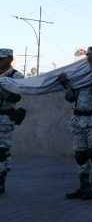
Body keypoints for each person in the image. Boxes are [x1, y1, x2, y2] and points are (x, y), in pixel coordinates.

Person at [57, 46, 92, 200]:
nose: (88, 57)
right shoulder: (80, 76)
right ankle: (83, 186)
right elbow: (71, 97)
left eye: (91, 55)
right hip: (78, 119)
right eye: (88, 55)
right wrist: (65, 84)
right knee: (80, 155)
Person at [0, 48, 25, 195]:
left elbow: (16, 97)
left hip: (4, 118)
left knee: (2, 151)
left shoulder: (16, 76)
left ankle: (1, 180)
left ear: (10, 59)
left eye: (1, 59)